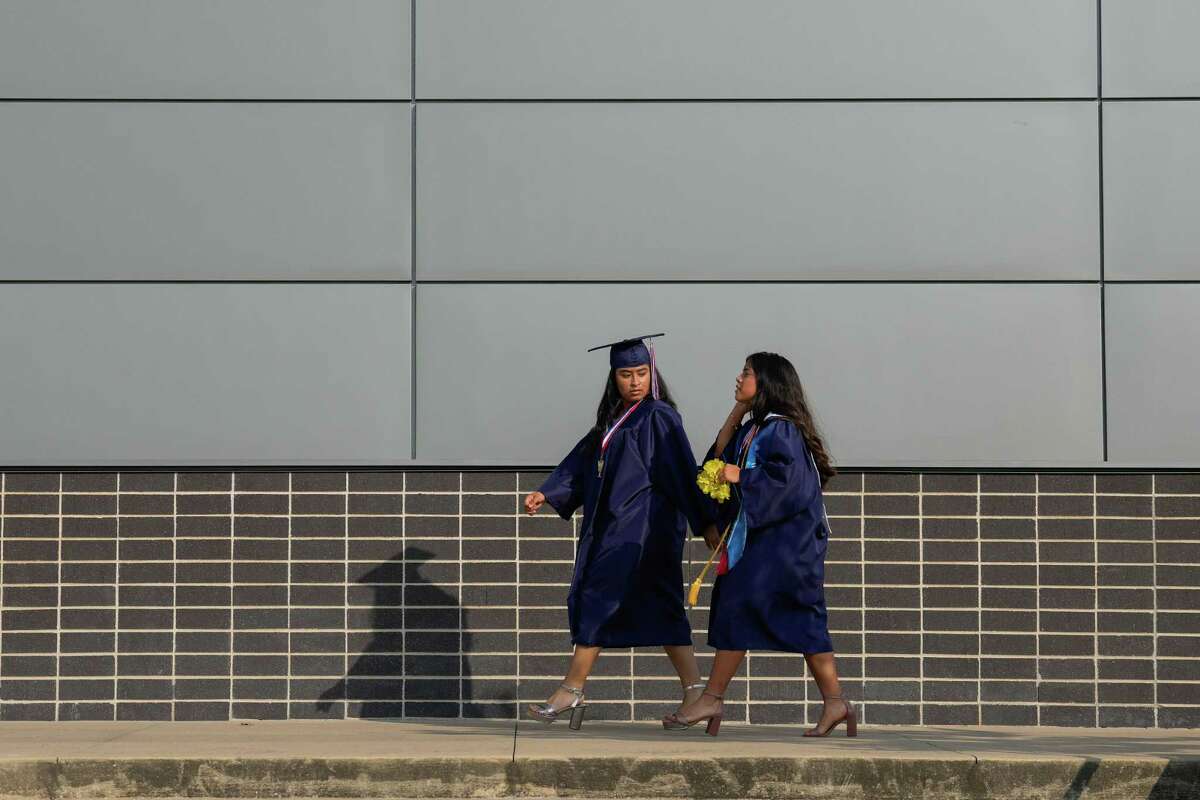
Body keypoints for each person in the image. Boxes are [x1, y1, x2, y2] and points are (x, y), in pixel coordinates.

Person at [523, 334, 718, 729]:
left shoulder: (660, 418)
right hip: (615, 527)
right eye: (626, 374)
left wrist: (706, 521)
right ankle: (695, 692)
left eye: (641, 373)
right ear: (614, 378)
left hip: (644, 531)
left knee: (601, 597)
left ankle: (572, 689)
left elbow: (683, 471)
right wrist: (547, 491)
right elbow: (580, 463)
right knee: (661, 607)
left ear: (652, 374)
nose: (634, 382)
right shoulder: (610, 424)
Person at [664, 352, 854, 737]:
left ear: (766, 381)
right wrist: (738, 410)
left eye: (747, 373)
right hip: (766, 543)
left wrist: (739, 476)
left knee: (780, 611)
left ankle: (718, 697)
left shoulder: (781, 430)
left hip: (787, 546)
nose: (738, 378)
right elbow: (718, 456)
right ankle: (831, 703)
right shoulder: (756, 426)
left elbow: (790, 486)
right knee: (756, 608)